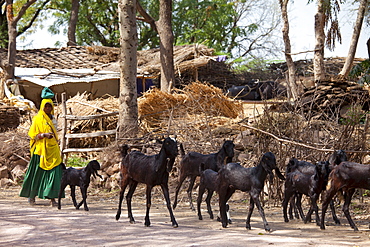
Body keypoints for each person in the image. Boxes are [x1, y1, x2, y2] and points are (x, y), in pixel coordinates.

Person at [20, 88, 64, 206]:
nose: (48, 109)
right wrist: (43, 135)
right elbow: (32, 135)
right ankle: (31, 195)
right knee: (37, 174)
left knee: (54, 173)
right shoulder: (38, 119)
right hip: (40, 151)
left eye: (50, 106)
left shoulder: (53, 119)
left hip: (52, 149)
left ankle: (52, 198)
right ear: (42, 107)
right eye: (46, 106)